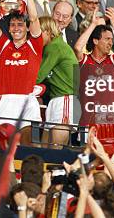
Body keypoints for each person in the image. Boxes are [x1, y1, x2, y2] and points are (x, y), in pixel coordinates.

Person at [0, 0, 42, 145]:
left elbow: (34, 18)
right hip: (5, 101)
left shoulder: (34, 45)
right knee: (0, 147)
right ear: (8, 28)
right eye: (12, 25)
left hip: (27, 101)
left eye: (20, 24)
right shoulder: (3, 45)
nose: (16, 28)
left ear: (27, 28)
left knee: (25, 147)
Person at [37, 16, 78, 147]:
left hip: (65, 99)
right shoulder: (55, 45)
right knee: (45, 147)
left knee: (56, 149)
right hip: (57, 98)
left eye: (39, 32)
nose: (35, 36)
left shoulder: (55, 47)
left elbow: (38, 76)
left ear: (48, 31)